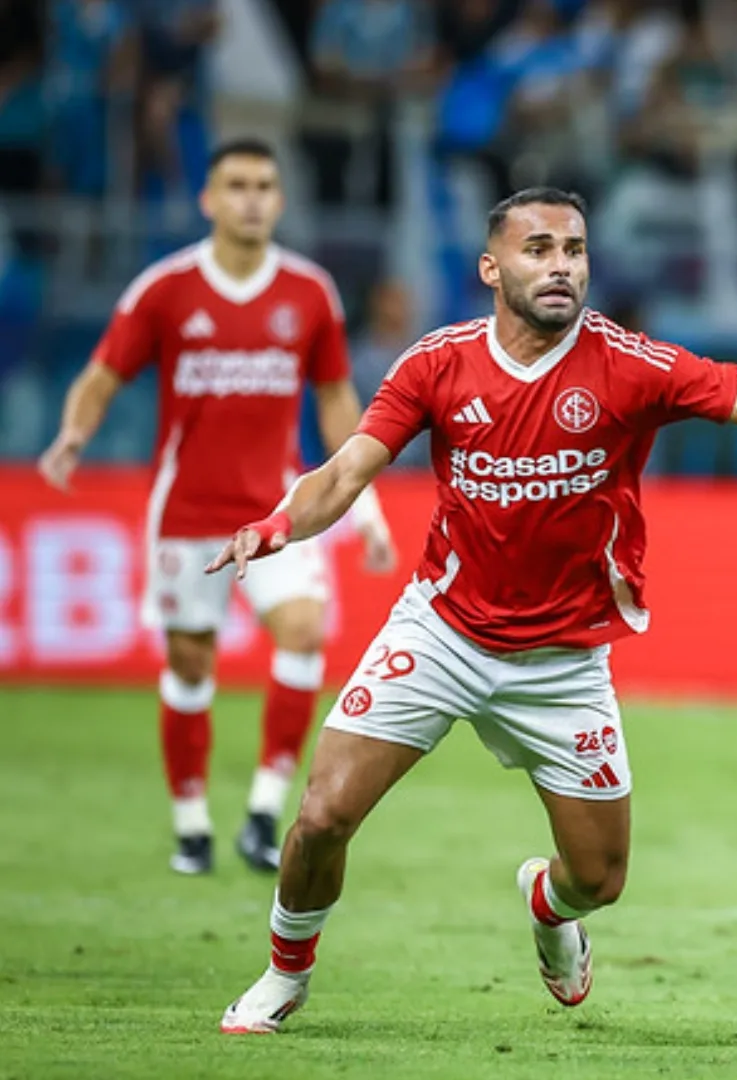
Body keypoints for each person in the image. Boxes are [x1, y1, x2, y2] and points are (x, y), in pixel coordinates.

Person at [213, 187, 737, 1035]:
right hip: (440, 631)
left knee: (599, 880)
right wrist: (275, 526)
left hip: (564, 660)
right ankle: (284, 974)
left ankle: (551, 910)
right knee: (323, 813)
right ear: (491, 267)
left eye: (575, 250)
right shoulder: (436, 364)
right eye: (539, 249)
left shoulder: (631, 365)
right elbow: (342, 475)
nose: (561, 267)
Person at [37, 137, 396, 877]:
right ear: (209, 199)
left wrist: (362, 504)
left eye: (265, 184)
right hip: (186, 512)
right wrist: (75, 430)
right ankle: (192, 823)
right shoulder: (165, 289)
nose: (252, 198)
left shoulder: (309, 293)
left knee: (302, 634)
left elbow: (335, 399)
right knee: (191, 662)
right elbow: (103, 373)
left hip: (278, 510)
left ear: (281, 199)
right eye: (236, 185)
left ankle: (265, 812)